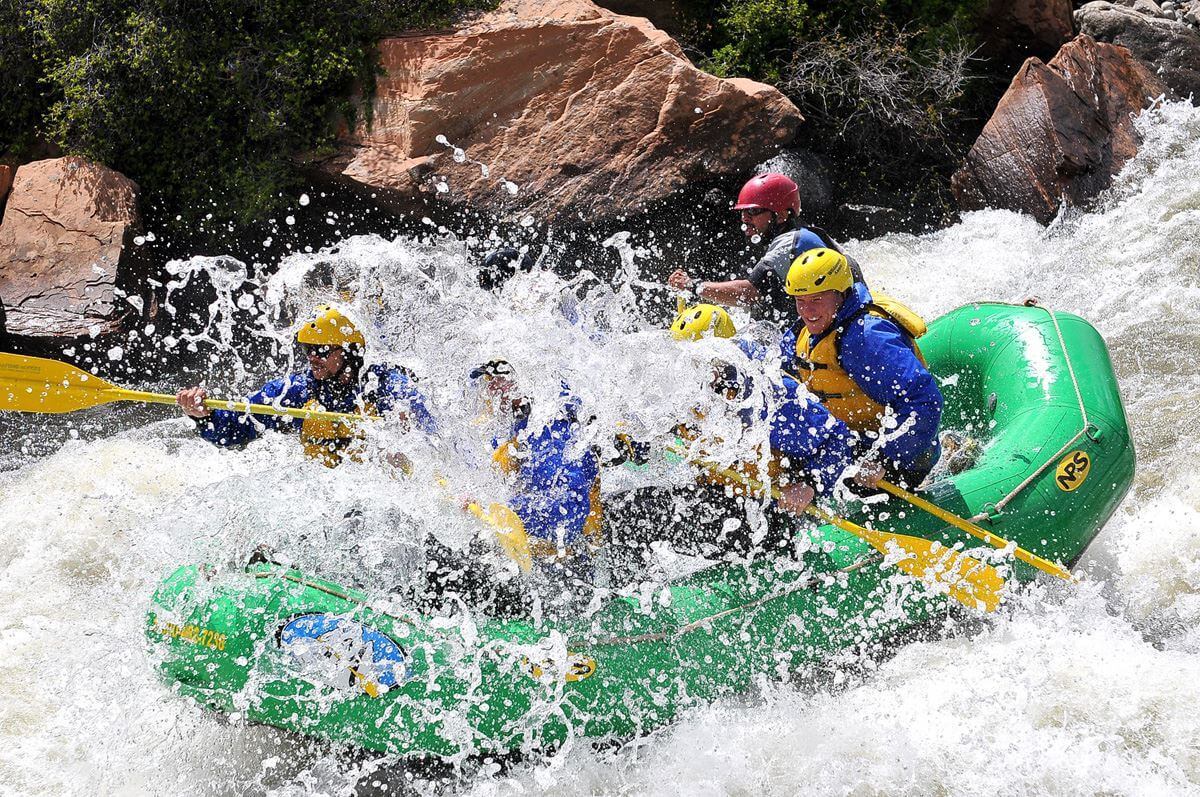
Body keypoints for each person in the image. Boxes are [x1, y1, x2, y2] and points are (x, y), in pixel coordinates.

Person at [175, 304, 436, 467]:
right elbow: (233, 431)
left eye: (321, 350)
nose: (312, 357)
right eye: (308, 348)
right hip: (327, 495)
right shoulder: (295, 391)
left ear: (350, 352)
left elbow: (430, 427)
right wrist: (203, 416)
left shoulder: (382, 385)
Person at [780, 248, 942, 488]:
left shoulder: (867, 340)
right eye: (800, 301)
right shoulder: (807, 329)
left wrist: (884, 459)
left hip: (901, 454)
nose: (807, 311)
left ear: (841, 293)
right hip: (850, 444)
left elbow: (925, 402)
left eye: (816, 299)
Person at [666, 173, 862, 325]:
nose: (745, 219)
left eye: (753, 211)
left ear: (781, 215)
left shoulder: (789, 244)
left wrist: (692, 285)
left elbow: (748, 293)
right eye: (743, 212)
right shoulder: (809, 235)